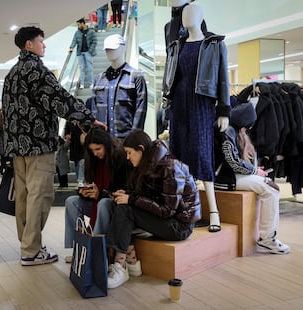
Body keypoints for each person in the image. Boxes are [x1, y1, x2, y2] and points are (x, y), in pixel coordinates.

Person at [2, 26, 106, 267]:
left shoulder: (12, 73)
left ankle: (28, 243)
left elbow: (6, 113)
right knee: (41, 196)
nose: (44, 45)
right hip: (39, 146)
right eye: (41, 41)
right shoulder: (37, 70)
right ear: (29, 44)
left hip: (18, 148)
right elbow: (60, 99)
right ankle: (31, 250)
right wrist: (87, 119)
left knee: (24, 196)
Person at [162, 3, 230, 232]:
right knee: (178, 156)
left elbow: (223, 79)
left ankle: (213, 211)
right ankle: (183, 210)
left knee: (202, 154)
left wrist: (224, 110)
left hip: (202, 103)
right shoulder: (176, 46)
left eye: (191, 13)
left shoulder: (215, 44)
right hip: (179, 104)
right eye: (183, 14)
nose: (186, 17)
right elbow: (171, 78)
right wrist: (167, 107)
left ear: (201, 16)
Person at [106, 129, 201, 288]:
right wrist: (128, 194)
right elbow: (152, 196)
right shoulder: (150, 164)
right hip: (169, 220)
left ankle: (121, 265)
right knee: (122, 204)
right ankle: (130, 262)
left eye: (129, 153)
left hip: (180, 226)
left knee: (126, 209)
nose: (127, 158)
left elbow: (167, 210)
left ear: (141, 149)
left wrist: (132, 198)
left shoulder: (169, 167)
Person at [214, 103, 290, 254]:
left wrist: (254, 172)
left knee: (269, 186)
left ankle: (267, 238)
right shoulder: (228, 131)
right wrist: (254, 170)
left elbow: (233, 162)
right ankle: (267, 239)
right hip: (225, 179)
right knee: (271, 189)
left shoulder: (229, 128)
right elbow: (233, 163)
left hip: (228, 176)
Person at [64, 127, 129, 261]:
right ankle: (79, 247)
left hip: (114, 206)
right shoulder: (93, 160)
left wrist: (100, 194)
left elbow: (121, 192)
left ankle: (95, 249)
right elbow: (94, 185)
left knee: (104, 203)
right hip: (98, 201)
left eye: (98, 149)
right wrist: (85, 192)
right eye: (92, 150)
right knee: (71, 201)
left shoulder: (119, 157)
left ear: (106, 145)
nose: (95, 153)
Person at [90, 34, 148, 139]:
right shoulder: (98, 79)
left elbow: (140, 110)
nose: (110, 52)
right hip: (104, 141)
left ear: (123, 48)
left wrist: (133, 140)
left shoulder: (136, 76)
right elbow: (95, 111)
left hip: (126, 141)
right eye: (107, 49)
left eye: (113, 49)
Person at [69, 17, 97, 89]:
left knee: (89, 68)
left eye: (78, 25)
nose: (78, 26)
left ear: (82, 23)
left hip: (88, 52)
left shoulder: (91, 31)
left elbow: (95, 41)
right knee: (82, 68)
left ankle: (91, 83)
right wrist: (71, 47)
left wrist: (90, 50)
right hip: (80, 53)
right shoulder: (77, 32)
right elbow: (74, 40)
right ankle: (82, 84)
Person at [64, 120, 87, 187]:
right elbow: (67, 131)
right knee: (77, 163)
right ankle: (78, 179)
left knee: (82, 162)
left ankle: (80, 179)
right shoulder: (69, 122)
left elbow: (88, 128)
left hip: (82, 145)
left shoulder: (83, 120)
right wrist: (67, 135)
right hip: (74, 145)